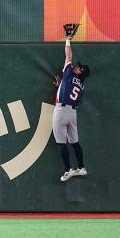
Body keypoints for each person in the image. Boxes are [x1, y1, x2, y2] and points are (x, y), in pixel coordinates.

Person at [53, 34, 91, 182]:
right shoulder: (82, 85)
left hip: (61, 111)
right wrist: (60, 87)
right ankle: (81, 168)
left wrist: (68, 39)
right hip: (72, 112)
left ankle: (68, 169)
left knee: (61, 143)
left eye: (79, 68)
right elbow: (70, 90)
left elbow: (68, 54)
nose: (76, 67)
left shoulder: (69, 72)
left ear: (80, 72)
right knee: (75, 142)